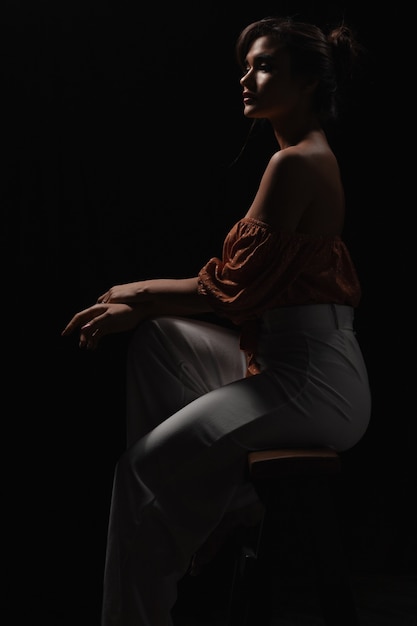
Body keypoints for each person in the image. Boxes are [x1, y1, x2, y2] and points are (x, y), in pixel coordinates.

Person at [62, 15, 372, 626]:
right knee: (161, 342)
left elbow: (232, 291)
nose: (246, 78)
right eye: (248, 65)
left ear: (308, 82)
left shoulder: (296, 164)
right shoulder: (300, 155)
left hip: (313, 383)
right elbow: (238, 290)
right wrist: (144, 310)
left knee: (138, 473)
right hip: (299, 361)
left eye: (264, 67)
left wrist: (132, 292)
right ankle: (229, 498)